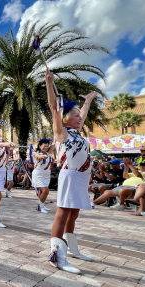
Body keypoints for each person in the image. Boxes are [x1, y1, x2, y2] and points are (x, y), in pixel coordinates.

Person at [46, 68, 98, 274]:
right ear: (66, 119)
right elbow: (53, 108)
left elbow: (83, 114)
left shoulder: (78, 133)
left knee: (74, 214)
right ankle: (57, 257)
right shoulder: (62, 133)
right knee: (63, 213)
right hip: (69, 175)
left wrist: (88, 101)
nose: (79, 118)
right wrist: (50, 84)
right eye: (75, 115)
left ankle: (71, 248)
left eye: (80, 116)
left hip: (81, 178)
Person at [32, 138, 55, 213]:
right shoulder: (35, 153)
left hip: (46, 174)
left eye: (47, 146)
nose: (46, 147)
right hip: (39, 174)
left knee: (42, 192)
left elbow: (54, 145)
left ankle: (42, 205)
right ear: (40, 146)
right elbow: (37, 157)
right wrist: (43, 157)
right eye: (44, 146)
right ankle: (40, 207)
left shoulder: (48, 153)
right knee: (45, 191)